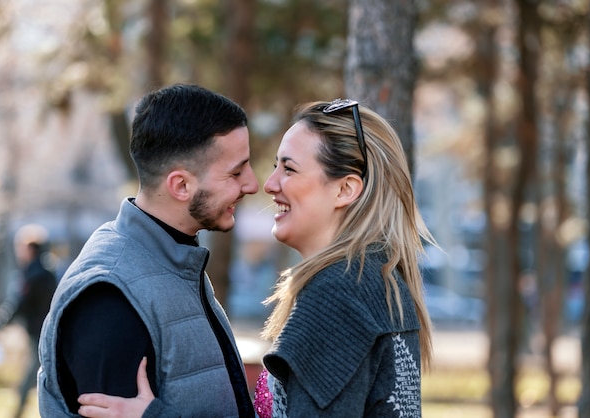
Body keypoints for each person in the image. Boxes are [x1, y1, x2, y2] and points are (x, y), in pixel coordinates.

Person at [77, 99, 436, 417]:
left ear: (345, 189)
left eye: (289, 169)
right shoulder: (377, 280)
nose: (267, 184)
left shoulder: (339, 294)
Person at [37, 84, 259, 417]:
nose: (252, 184)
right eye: (236, 172)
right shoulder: (110, 296)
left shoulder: (175, 262)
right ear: (181, 185)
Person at [0, 224, 58, 418]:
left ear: (29, 249)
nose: (18, 252)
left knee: (36, 372)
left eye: (20, 247)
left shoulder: (34, 274)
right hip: (44, 331)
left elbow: (16, 304)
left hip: (39, 332)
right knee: (38, 370)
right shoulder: (47, 270)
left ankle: (18, 410)